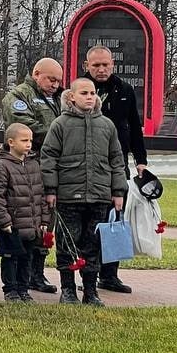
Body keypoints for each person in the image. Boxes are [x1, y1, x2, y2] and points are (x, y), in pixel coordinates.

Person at [41, 77, 127, 306]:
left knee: (93, 243)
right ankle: (68, 289)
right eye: (84, 93)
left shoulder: (106, 125)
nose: (89, 97)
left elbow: (116, 160)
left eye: (92, 93)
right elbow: (49, 157)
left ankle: (90, 290)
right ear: (71, 97)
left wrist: (118, 190)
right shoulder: (60, 124)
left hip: (99, 195)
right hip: (69, 196)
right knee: (68, 242)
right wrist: (50, 188)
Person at [81, 44, 147, 294]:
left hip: (117, 165)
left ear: (112, 65)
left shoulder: (125, 90)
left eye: (105, 65)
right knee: (90, 221)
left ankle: (109, 275)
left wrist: (141, 159)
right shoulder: (78, 89)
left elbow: (134, 126)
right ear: (86, 66)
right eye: (95, 65)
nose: (100, 69)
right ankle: (87, 272)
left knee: (116, 218)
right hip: (88, 165)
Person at [0, 57, 64, 294]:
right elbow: (28, 129)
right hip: (24, 167)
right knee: (25, 222)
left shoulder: (59, 98)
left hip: (50, 168)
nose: (55, 84)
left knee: (46, 219)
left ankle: (37, 273)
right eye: (50, 79)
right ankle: (19, 279)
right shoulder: (18, 97)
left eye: (58, 80)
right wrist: (64, 133)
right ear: (37, 74)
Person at [0, 124, 50, 302]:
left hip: (32, 224)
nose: (29, 144)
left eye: (30, 140)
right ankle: (10, 289)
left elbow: (41, 194)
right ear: (11, 142)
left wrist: (44, 219)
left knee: (27, 257)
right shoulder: (2, 166)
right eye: (24, 140)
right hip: (12, 225)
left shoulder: (34, 164)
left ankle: (24, 289)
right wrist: (4, 221)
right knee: (10, 257)